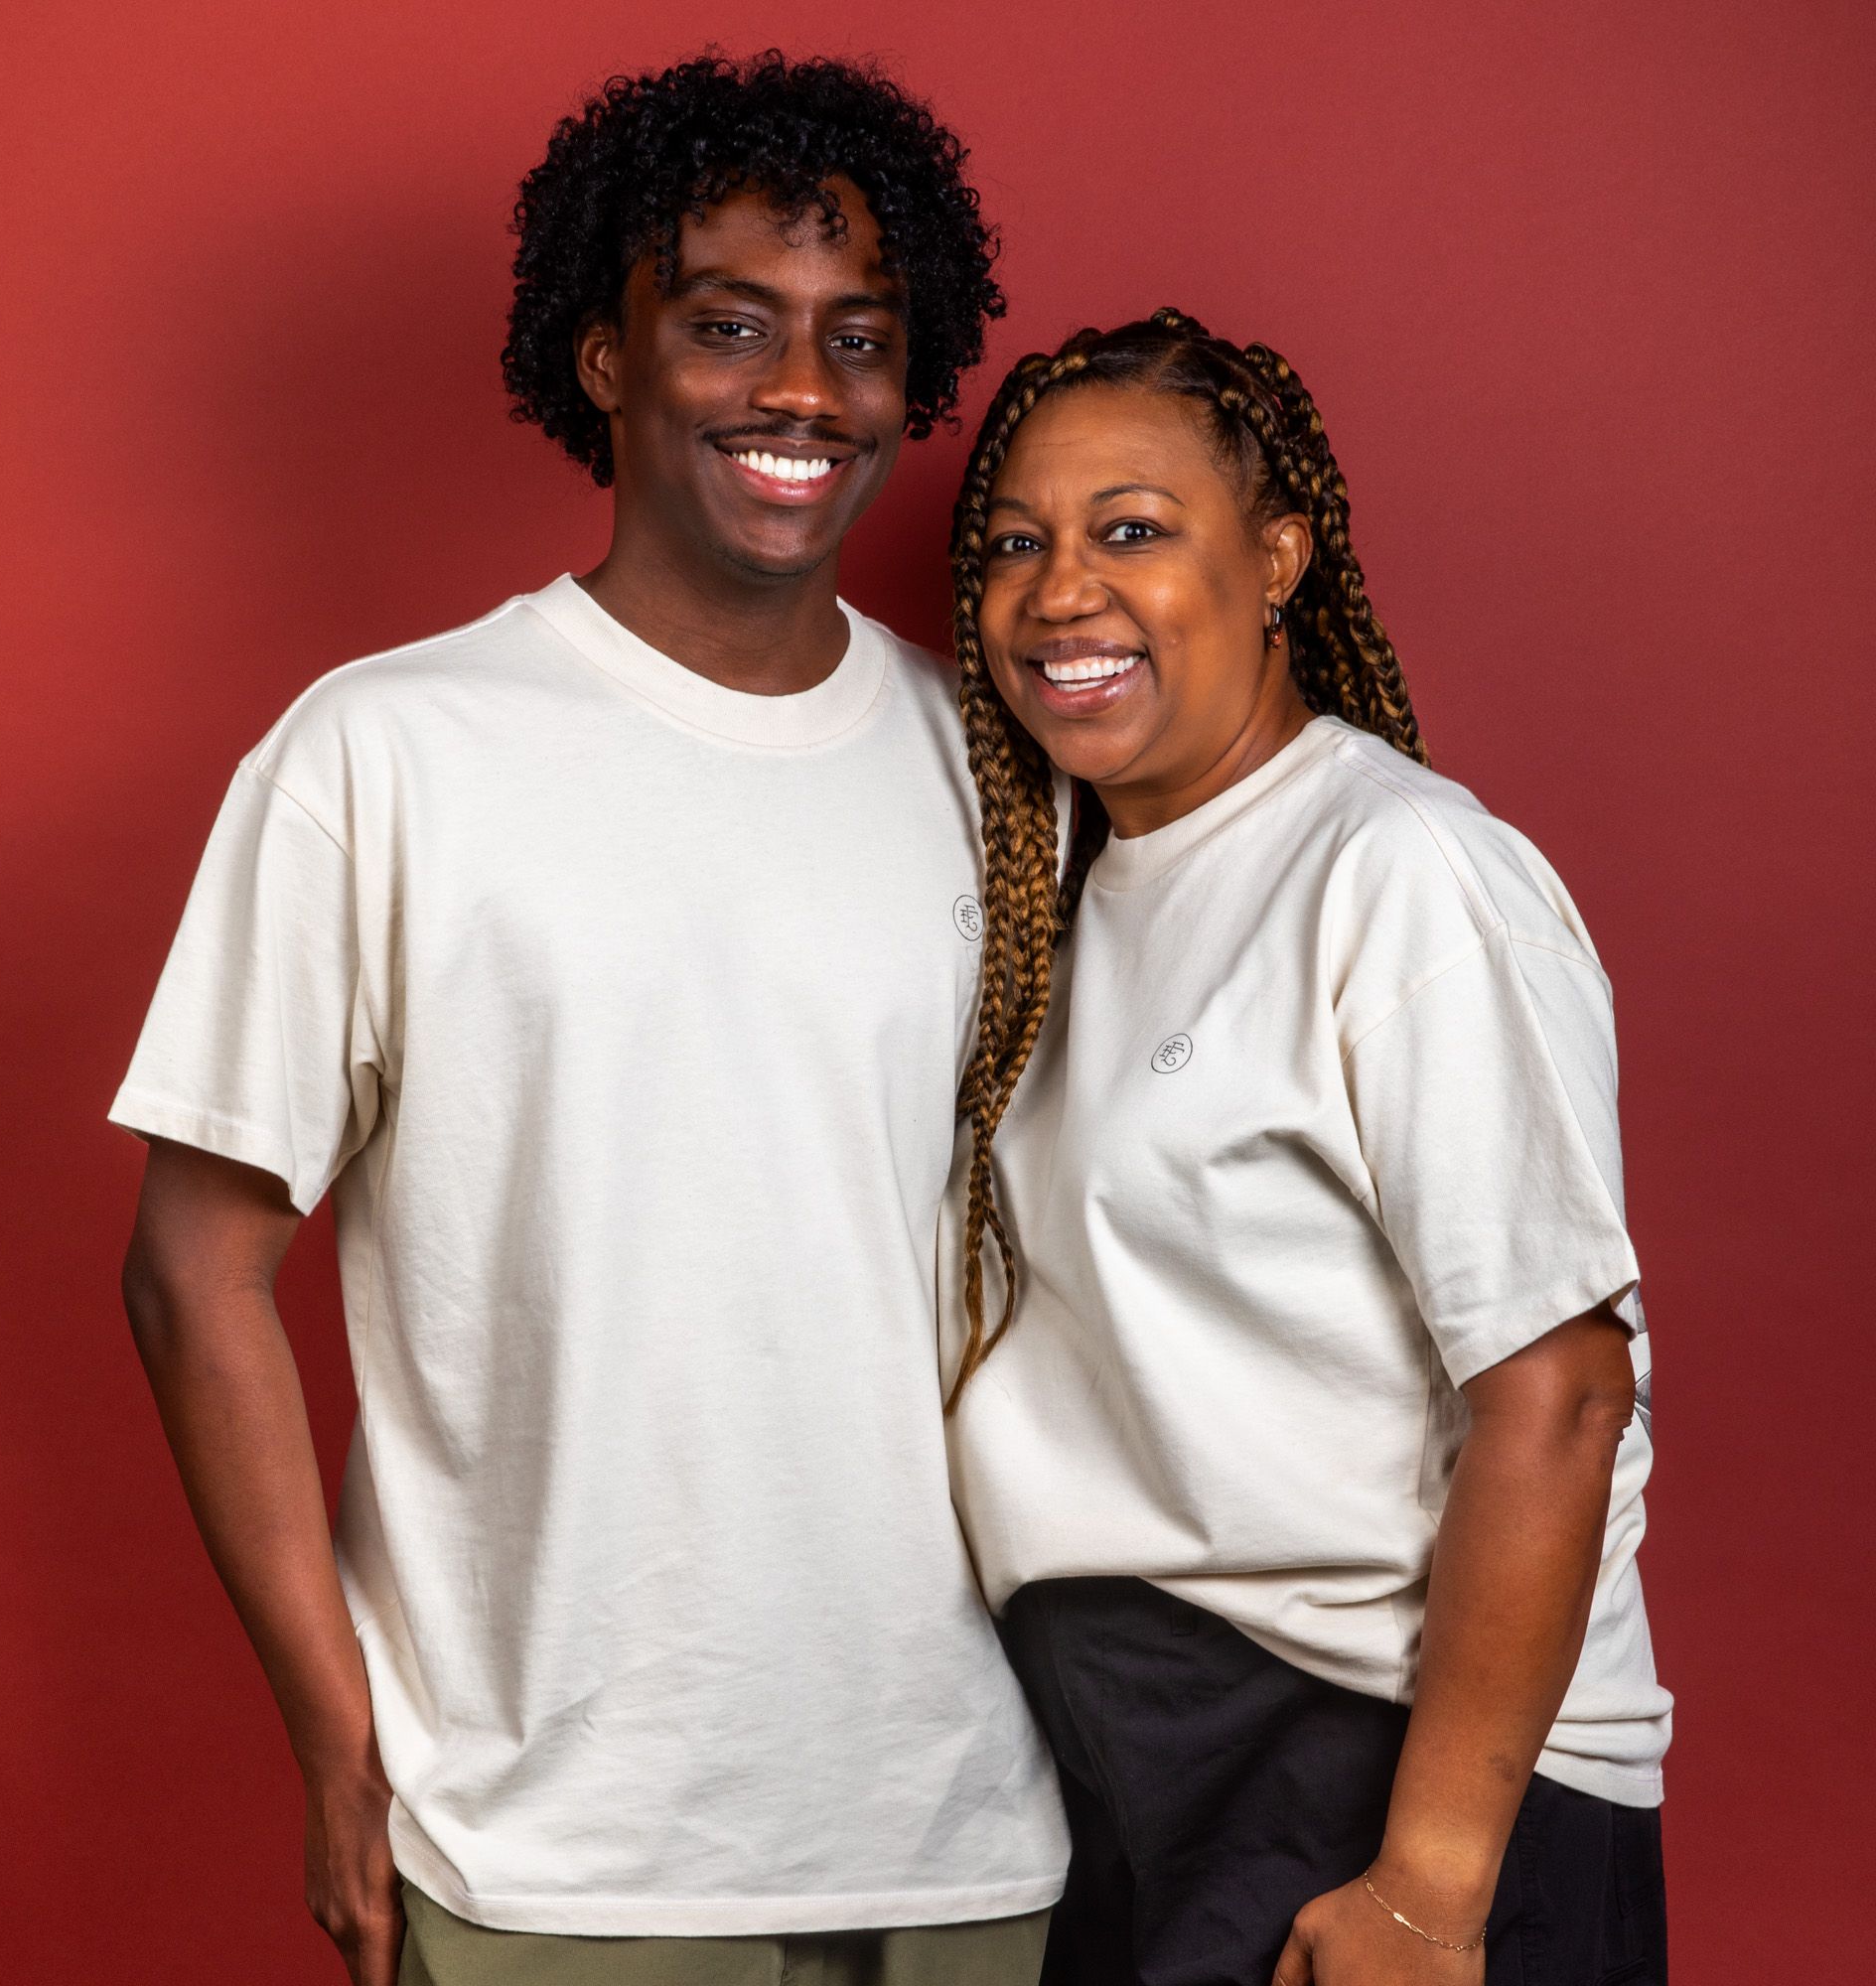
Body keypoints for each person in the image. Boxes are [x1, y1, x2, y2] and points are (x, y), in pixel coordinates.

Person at [112, 53, 1067, 1986]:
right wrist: (336, 1739)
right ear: (605, 355)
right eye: (726, 324)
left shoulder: (1004, 774)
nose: (801, 390)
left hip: (972, 1820)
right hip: (545, 1842)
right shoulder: (384, 755)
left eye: (856, 338)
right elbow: (192, 1272)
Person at [939, 310, 1671, 1985]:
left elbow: (1558, 1388)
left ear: (1277, 558)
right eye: (1015, 544)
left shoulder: (1402, 872)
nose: (1059, 591)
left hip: (1386, 1762)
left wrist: (1430, 1881)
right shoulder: (1048, 907)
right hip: (1135, 1765)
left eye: (1133, 530)